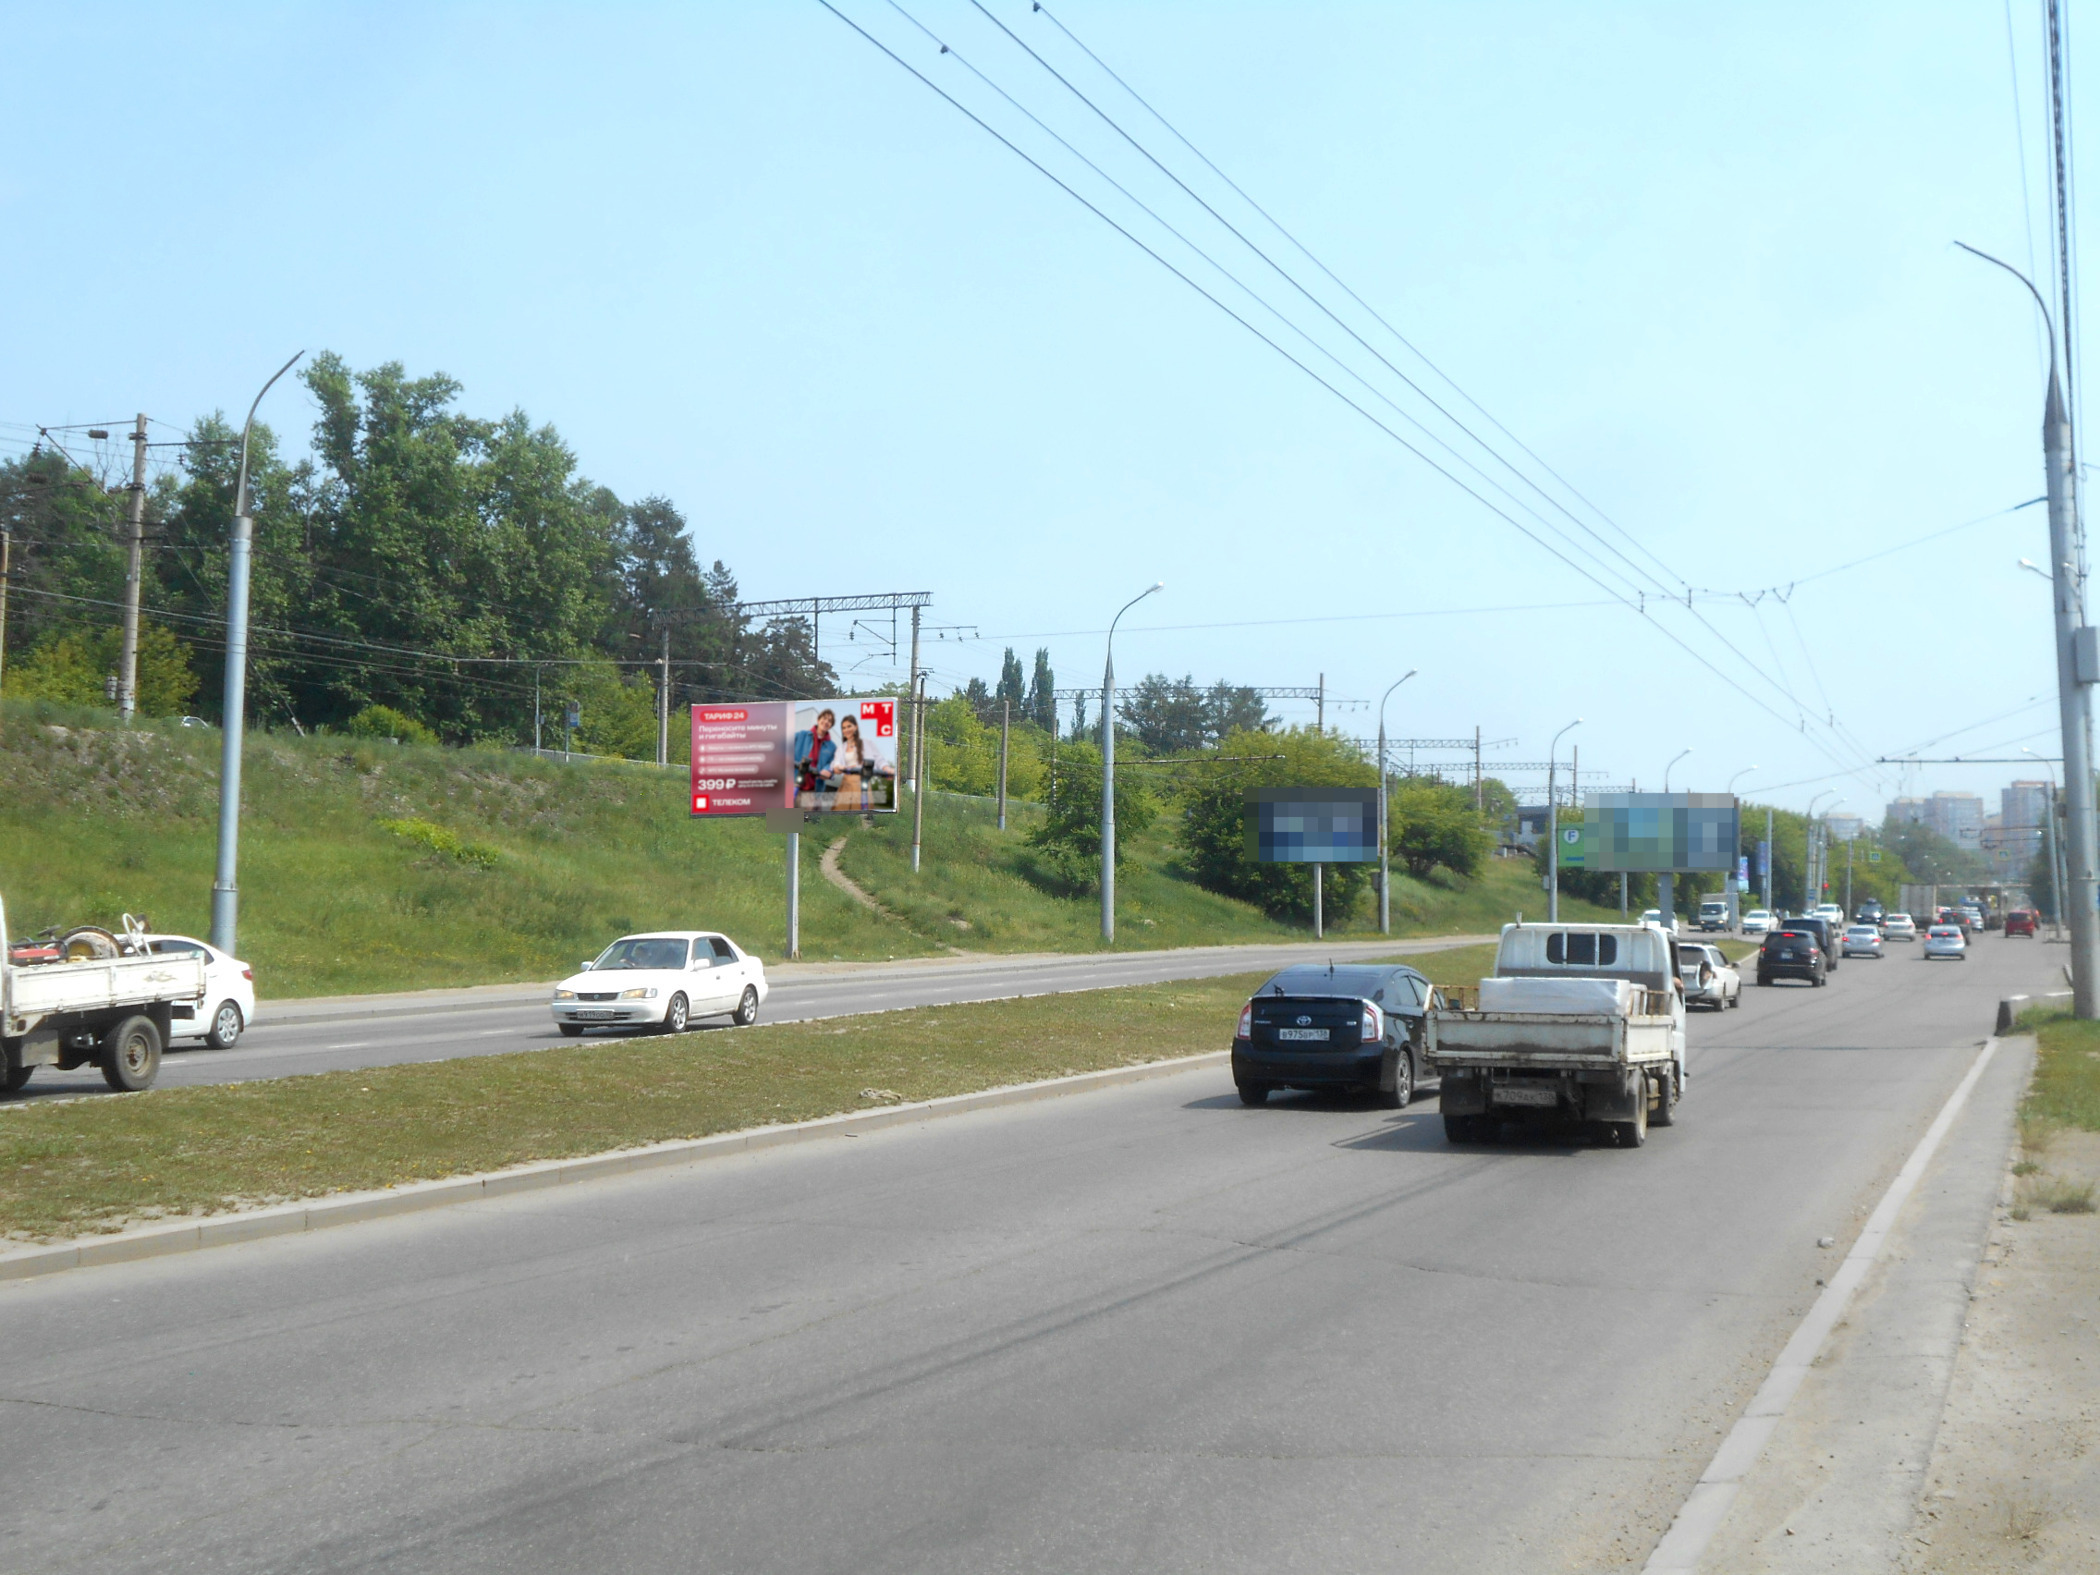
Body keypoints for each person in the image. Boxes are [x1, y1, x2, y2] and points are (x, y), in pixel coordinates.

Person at [791, 709, 835, 807]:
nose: (826, 722)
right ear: (818, 719)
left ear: (831, 725)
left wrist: (827, 770)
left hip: (811, 790)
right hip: (792, 783)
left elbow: (832, 763)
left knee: (804, 820)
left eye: (830, 721)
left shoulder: (831, 747)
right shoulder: (802, 735)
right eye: (824, 718)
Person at [824, 714, 867, 810]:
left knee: (860, 813)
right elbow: (836, 762)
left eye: (849, 726)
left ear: (855, 727)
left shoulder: (864, 744)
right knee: (840, 812)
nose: (846, 730)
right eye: (843, 728)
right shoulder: (841, 747)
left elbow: (873, 761)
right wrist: (837, 767)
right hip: (846, 782)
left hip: (861, 782)